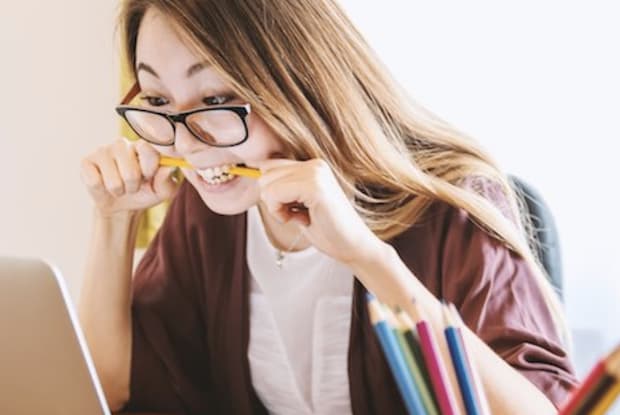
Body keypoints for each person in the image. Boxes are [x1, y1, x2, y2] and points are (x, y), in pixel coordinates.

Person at [78, 1, 577, 413]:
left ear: (299, 82)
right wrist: (114, 221)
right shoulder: (208, 212)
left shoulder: (452, 208)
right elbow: (109, 389)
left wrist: (369, 258)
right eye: (161, 102)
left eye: (216, 96)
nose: (188, 144)